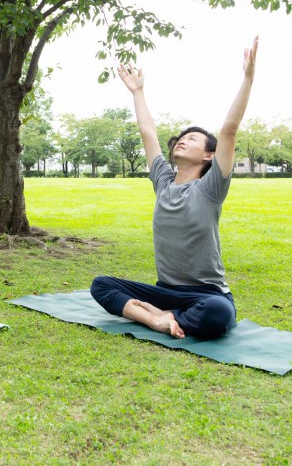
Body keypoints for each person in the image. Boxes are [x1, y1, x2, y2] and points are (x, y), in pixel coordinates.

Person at [90, 37, 259, 340]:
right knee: (100, 284)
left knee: (218, 315)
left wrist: (247, 79)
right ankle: (157, 320)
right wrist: (138, 92)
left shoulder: (211, 188)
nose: (183, 139)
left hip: (206, 295)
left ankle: (156, 316)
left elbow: (229, 130)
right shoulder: (164, 182)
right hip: (164, 292)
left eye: (193, 139)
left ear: (209, 155)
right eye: (182, 137)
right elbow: (147, 132)